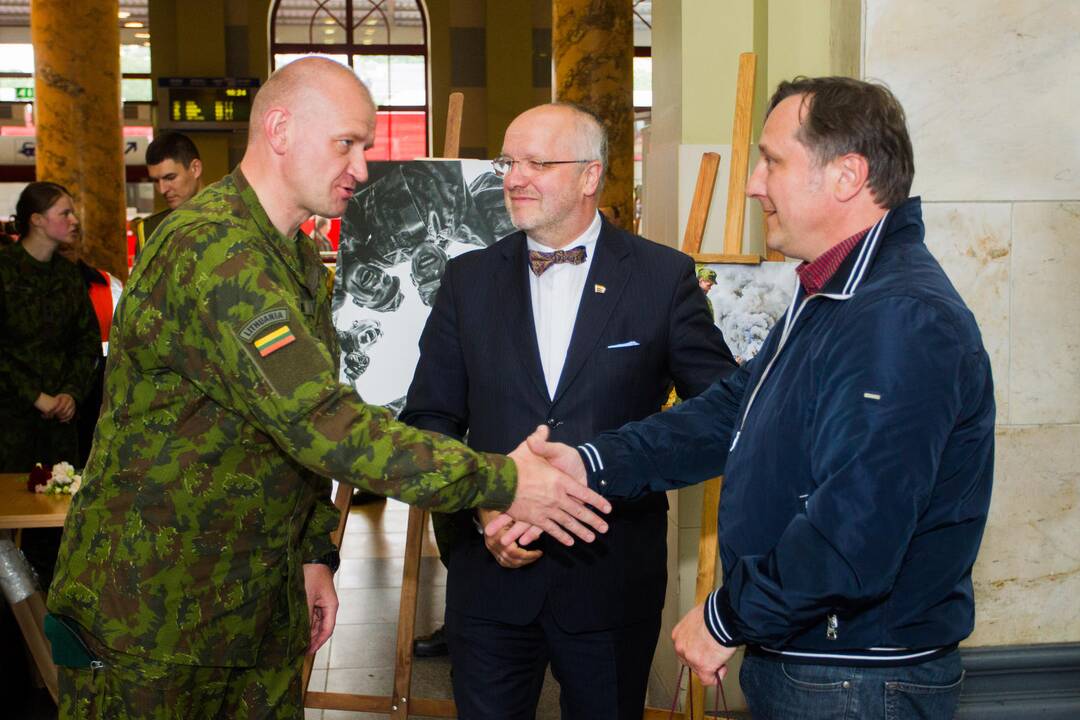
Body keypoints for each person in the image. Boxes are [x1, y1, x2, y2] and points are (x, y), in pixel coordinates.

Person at [47, 58, 611, 720]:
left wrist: (315, 550)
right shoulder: (214, 251)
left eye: (365, 146)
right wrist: (505, 480)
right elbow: (324, 423)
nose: (362, 168)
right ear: (281, 129)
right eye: (347, 142)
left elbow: (288, 439)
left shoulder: (292, 262)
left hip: (252, 608)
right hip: (152, 620)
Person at [517, 77, 995, 720]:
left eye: (773, 160)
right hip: (820, 667)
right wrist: (590, 462)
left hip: (855, 679)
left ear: (847, 176)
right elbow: (731, 410)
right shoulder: (836, 292)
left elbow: (854, 534)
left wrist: (724, 616)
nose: (752, 184)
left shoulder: (898, 317)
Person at [401, 103, 737, 719]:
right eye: (508, 161)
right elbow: (427, 419)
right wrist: (485, 500)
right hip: (490, 575)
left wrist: (607, 465)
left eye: (537, 162)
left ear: (590, 176)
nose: (514, 176)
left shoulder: (663, 279)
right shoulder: (466, 280)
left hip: (610, 583)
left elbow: (723, 415)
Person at [0, 181, 100, 473]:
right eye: (65, 213)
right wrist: (34, 396)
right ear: (37, 220)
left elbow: (87, 342)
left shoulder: (69, 276)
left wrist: (71, 393)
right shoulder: (5, 270)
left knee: (60, 509)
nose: (75, 221)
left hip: (61, 427)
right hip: (10, 424)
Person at [132, 131, 204, 251]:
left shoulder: (232, 216)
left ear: (195, 169)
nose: (162, 189)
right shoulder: (150, 231)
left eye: (170, 178)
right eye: (155, 181)